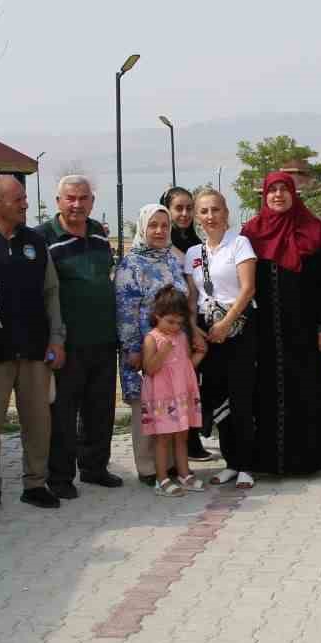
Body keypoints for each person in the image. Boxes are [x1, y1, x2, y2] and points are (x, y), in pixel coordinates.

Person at [0, 176, 66, 513]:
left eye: (25, 199)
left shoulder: (36, 242)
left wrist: (57, 337)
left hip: (36, 349)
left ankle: (35, 483)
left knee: (38, 420)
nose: (26, 204)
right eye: (19, 199)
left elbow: (51, 292)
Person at [241, 172, 321, 475]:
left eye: (284, 190)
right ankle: (266, 461)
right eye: (273, 190)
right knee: (264, 392)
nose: (278, 196)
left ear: (294, 194)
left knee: (305, 390)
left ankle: (308, 460)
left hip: (304, 330)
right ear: (264, 195)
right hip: (264, 330)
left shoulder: (314, 232)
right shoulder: (251, 233)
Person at [42, 175, 123, 494]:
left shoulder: (100, 235)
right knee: (62, 413)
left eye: (83, 198)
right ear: (58, 201)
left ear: (92, 201)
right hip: (67, 343)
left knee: (100, 409)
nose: (77, 204)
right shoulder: (43, 237)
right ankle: (60, 477)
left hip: (103, 339)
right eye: (70, 198)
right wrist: (53, 339)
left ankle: (95, 468)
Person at [183, 189, 259, 489]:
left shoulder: (239, 244)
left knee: (241, 395)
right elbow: (192, 297)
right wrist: (194, 327)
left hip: (237, 326)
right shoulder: (193, 253)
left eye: (215, 210)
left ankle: (247, 465)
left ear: (226, 212)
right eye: (204, 211)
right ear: (197, 217)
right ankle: (230, 462)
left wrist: (227, 323)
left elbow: (248, 288)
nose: (210, 217)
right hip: (206, 330)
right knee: (217, 396)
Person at [115, 203, 196, 483]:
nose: (159, 231)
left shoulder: (172, 259)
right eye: (153, 225)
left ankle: (172, 464)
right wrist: (133, 348)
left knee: (172, 403)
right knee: (147, 405)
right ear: (142, 227)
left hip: (175, 351)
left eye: (164, 225)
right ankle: (149, 467)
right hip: (145, 349)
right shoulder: (131, 263)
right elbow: (126, 310)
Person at [160, 185, 213, 462]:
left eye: (188, 208)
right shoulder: (162, 243)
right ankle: (173, 449)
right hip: (168, 328)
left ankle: (192, 440)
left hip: (195, 323)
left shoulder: (195, 244)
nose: (184, 214)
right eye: (178, 208)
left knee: (193, 385)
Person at [141, 286, 208, 496]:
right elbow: (150, 368)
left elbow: (185, 364)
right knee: (163, 439)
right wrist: (163, 352)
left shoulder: (181, 337)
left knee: (182, 436)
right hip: (162, 398)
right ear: (157, 316)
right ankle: (161, 479)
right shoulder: (152, 338)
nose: (175, 327)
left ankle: (184, 474)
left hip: (182, 395)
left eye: (179, 323)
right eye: (170, 321)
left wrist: (201, 355)